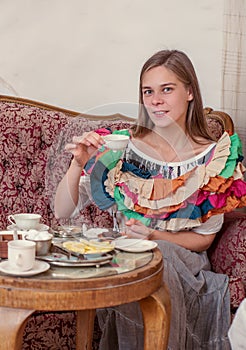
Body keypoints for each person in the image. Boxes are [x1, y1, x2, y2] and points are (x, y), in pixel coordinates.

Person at [55, 50, 246, 349]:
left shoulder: (213, 158)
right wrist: (78, 163)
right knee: (137, 260)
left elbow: (204, 241)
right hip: (125, 264)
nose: (156, 100)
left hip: (183, 267)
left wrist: (154, 236)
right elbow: (62, 210)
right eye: (148, 91)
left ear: (190, 92)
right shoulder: (122, 148)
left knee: (156, 257)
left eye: (166, 89)